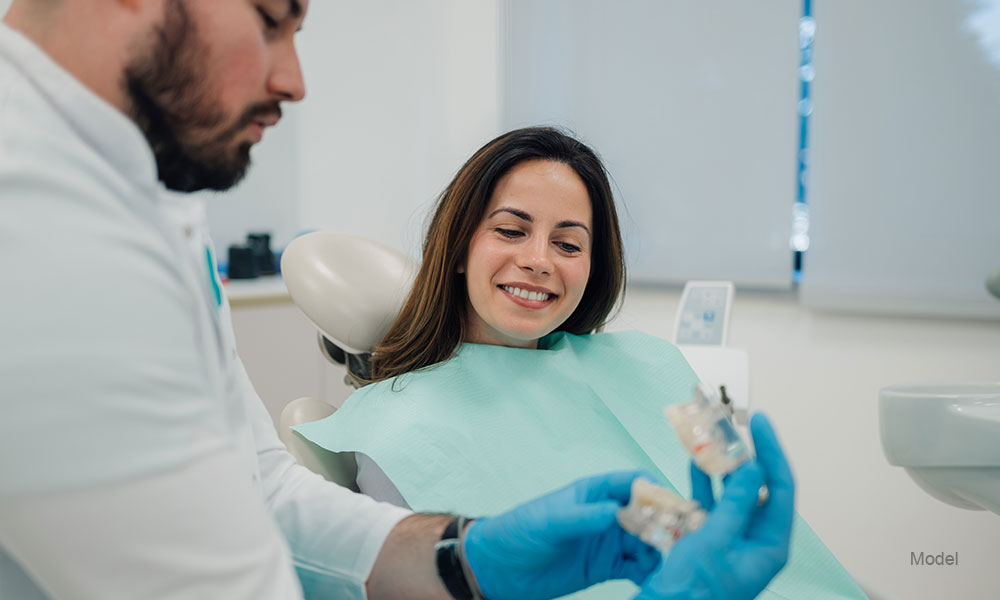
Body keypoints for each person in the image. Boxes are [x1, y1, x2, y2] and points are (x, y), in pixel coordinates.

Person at [0, 2, 791, 600]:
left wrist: (464, 554)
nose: (296, 80)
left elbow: (263, 489)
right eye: (272, 19)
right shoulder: (44, 232)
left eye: (569, 242)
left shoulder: (142, 191)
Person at [296, 128, 863, 599]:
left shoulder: (648, 362)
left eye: (568, 244)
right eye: (511, 231)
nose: (538, 260)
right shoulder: (392, 428)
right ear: (460, 246)